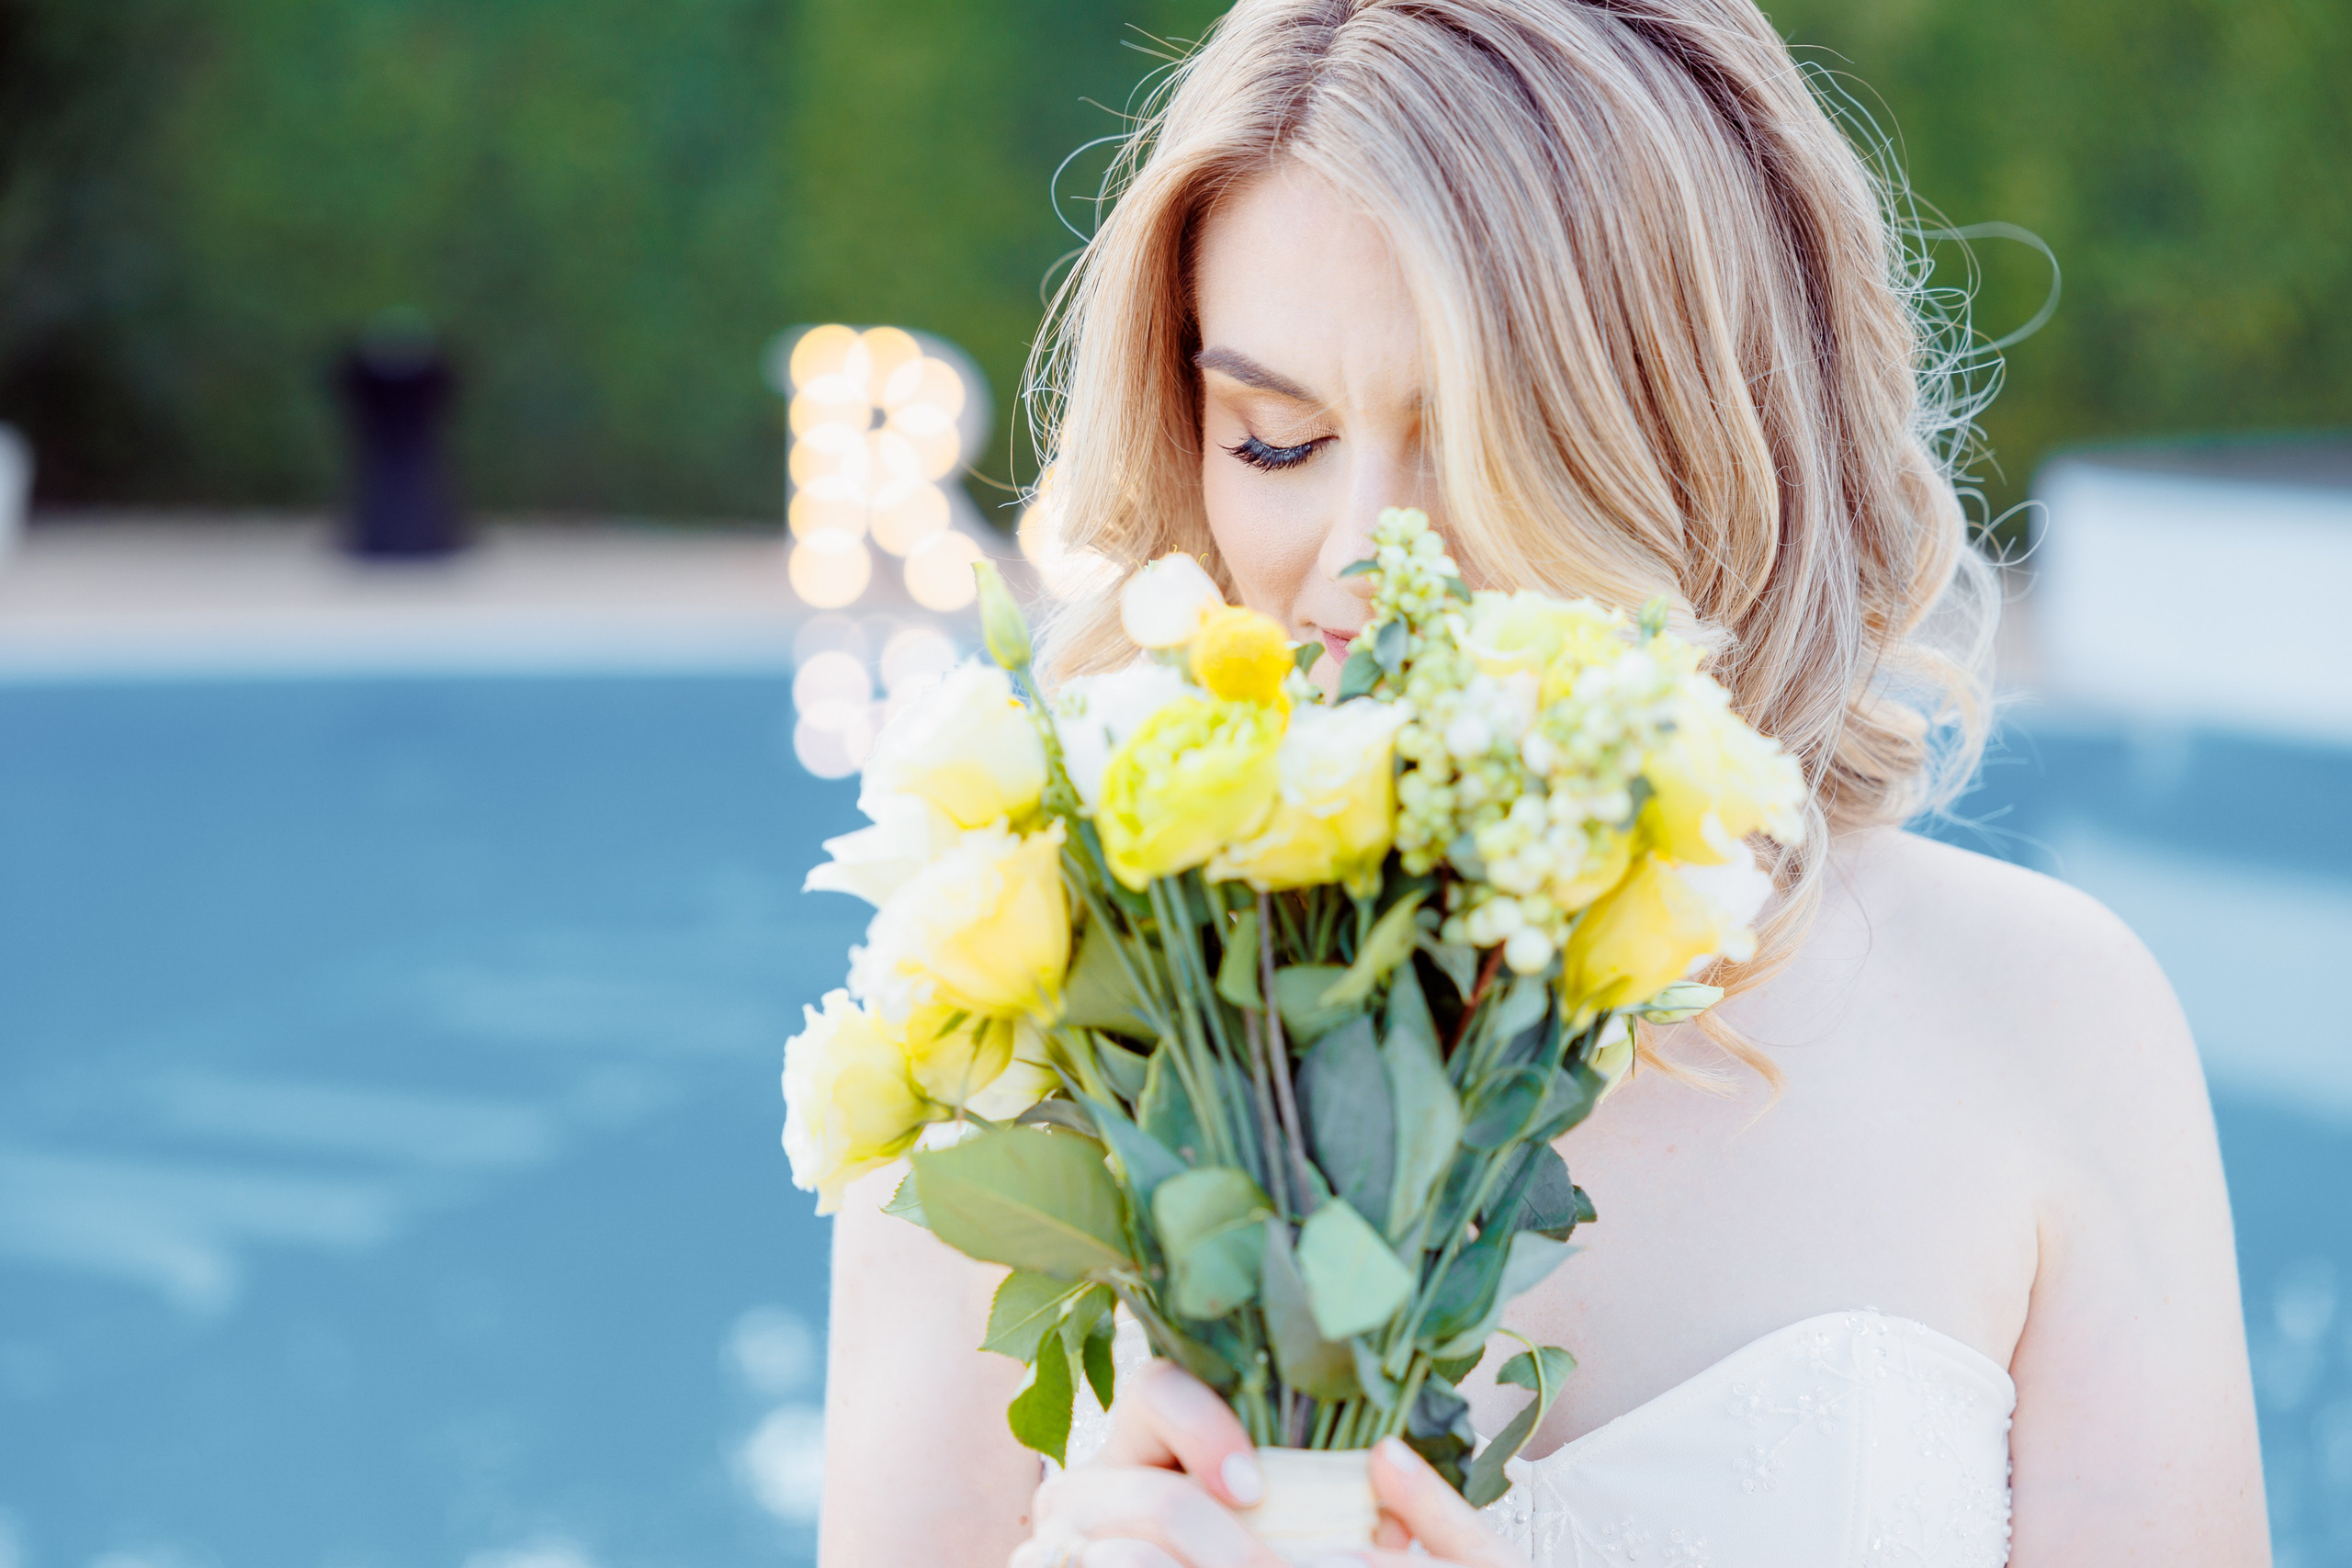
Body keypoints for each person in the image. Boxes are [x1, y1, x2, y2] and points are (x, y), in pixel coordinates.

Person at [818, 2, 2268, 1562]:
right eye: (1277, 440)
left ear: (1692, 435)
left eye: (1466, 443)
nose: (1360, 563)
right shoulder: (1027, 1048)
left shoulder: (2043, 1016)